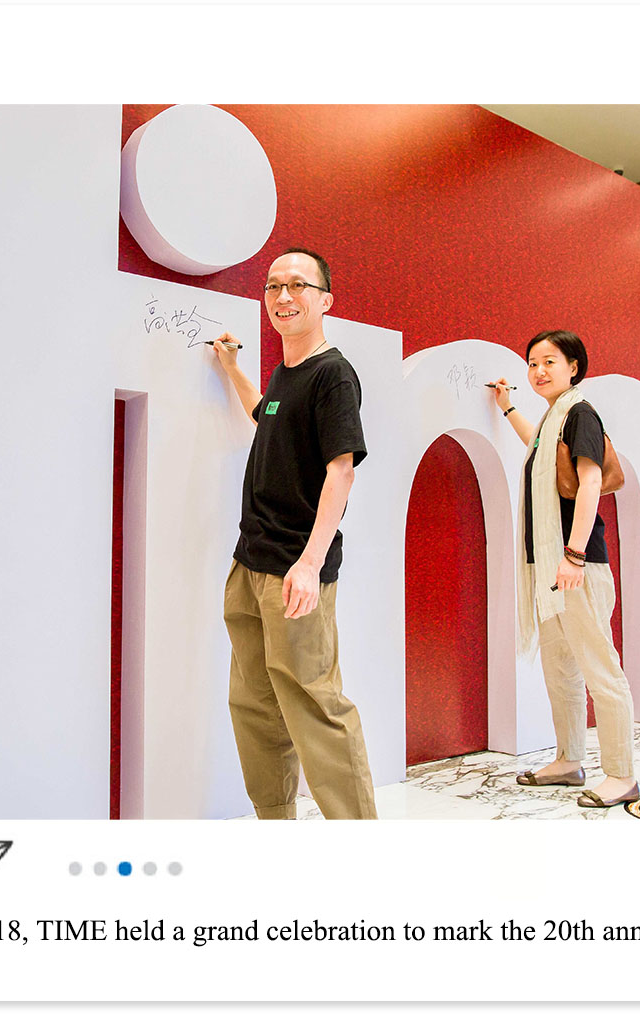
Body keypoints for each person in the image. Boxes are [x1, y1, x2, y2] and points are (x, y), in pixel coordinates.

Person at [208, 248, 378, 820]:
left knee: (315, 704)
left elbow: (341, 470)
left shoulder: (334, 375)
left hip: (294, 569)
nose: (283, 296)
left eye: (298, 285)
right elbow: (268, 417)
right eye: (274, 286)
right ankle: (275, 820)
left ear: (325, 300)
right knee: (254, 704)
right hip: (249, 562)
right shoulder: (287, 373)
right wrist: (233, 369)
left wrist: (309, 563)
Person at [489, 330, 639, 808]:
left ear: (574, 367)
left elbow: (590, 481)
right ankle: (569, 760)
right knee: (560, 671)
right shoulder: (552, 420)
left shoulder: (580, 414)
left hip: (577, 564)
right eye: (532, 363)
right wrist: (508, 408)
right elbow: (536, 449)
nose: (539, 371)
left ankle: (621, 774)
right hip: (548, 570)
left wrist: (573, 555)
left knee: (600, 670)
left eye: (549, 361)